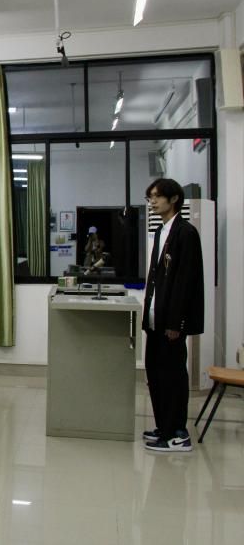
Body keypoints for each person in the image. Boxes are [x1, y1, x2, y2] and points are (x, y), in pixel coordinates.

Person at [142, 178, 203, 453]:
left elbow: (184, 282)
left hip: (171, 322)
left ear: (174, 198)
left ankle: (178, 433)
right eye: (150, 197)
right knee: (155, 373)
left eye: (157, 196)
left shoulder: (185, 233)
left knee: (173, 376)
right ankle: (163, 427)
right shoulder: (160, 231)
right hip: (157, 317)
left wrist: (176, 322)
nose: (153, 202)